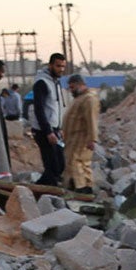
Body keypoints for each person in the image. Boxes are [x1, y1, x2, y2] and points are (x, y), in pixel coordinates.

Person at [31, 52, 70, 187]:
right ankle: (46, 193)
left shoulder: (56, 82)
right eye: (58, 66)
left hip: (55, 130)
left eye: (63, 66)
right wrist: (48, 132)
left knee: (59, 165)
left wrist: (59, 129)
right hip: (43, 131)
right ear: (50, 65)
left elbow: (56, 107)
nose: (61, 69)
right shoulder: (42, 83)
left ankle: (38, 187)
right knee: (52, 166)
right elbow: (39, 109)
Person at [63, 74, 100, 190]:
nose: (71, 91)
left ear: (81, 85)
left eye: (73, 88)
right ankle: (79, 186)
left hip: (81, 137)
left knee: (77, 161)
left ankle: (83, 188)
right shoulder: (80, 98)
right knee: (76, 162)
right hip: (73, 138)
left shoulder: (89, 99)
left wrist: (92, 138)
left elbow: (91, 119)